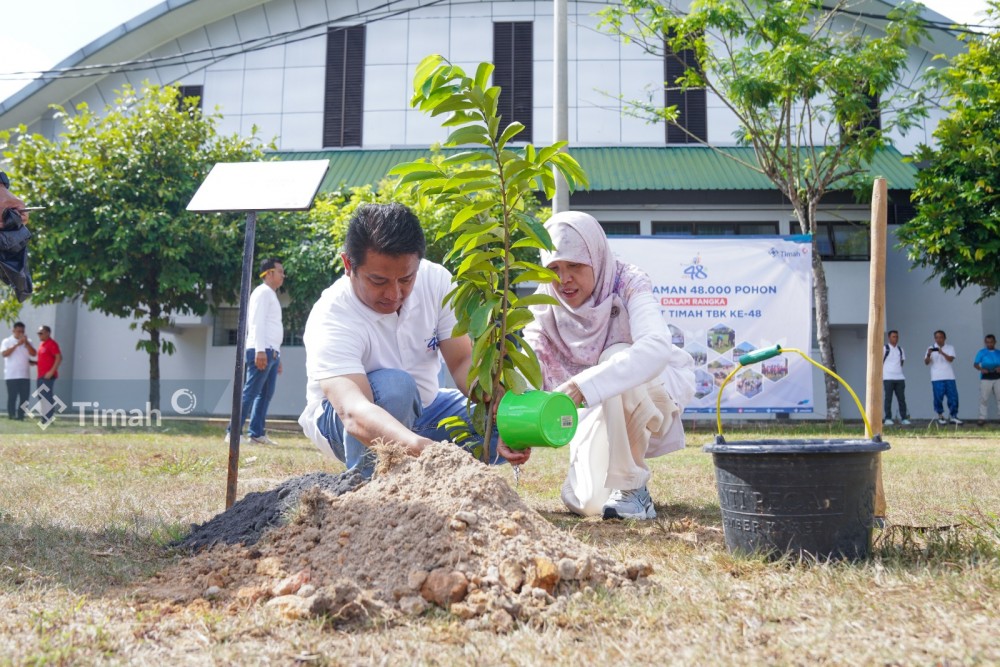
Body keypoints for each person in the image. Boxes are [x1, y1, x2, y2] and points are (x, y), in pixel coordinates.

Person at [297, 203, 529, 478]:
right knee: (396, 387)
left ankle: (436, 479)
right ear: (349, 265)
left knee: (507, 421)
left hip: (427, 411)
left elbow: (461, 361)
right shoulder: (333, 315)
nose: (394, 293)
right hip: (345, 423)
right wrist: (424, 449)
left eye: (406, 278)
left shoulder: (436, 281)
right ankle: (371, 487)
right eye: (378, 280)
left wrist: (495, 402)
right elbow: (353, 411)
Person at [522, 211, 696, 521]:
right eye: (554, 268)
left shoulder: (627, 281)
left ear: (596, 256)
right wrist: (515, 426)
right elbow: (530, 368)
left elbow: (656, 347)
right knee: (587, 503)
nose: (563, 280)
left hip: (651, 395)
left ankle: (631, 487)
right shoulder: (543, 302)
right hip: (595, 408)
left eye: (575, 265)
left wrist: (581, 386)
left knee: (615, 354)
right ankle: (615, 484)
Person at [226, 258, 285, 446]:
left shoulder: (270, 294)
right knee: (250, 393)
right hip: (262, 350)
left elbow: (271, 327)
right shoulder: (262, 292)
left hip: (271, 351)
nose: (283, 275)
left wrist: (277, 354)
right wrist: (260, 350)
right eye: (280, 271)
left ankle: (256, 434)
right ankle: (232, 432)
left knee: (265, 395)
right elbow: (257, 323)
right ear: (269, 273)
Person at [924, 329, 961, 425]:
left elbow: (951, 359)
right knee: (938, 397)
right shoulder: (930, 348)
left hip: (949, 376)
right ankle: (940, 416)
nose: (938, 339)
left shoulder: (950, 347)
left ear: (945, 338)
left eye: (940, 337)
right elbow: (926, 362)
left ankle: (953, 416)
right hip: (936, 377)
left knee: (953, 397)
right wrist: (928, 354)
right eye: (936, 337)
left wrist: (942, 352)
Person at [2, 321, 36, 420]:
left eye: (22, 331)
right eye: (18, 331)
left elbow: (33, 353)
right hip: (11, 375)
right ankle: (11, 415)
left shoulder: (28, 341)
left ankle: (21, 416)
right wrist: (17, 344)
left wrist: (27, 343)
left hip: (25, 375)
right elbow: (4, 354)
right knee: (12, 396)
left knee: (24, 397)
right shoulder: (7, 341)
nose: (20, 333)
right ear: (13, 330)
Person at [35, 325, 62, 424]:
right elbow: (45, 360)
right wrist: (34, 363)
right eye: (38, 333)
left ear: (48, 333)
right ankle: (45, 417)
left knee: (46, 396)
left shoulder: (52, 344)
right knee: (42, 396)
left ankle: (48, 418)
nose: (39, 335)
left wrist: (51, 372)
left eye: (41, 333)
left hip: (48, 376)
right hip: (40, 375)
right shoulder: (42, 344)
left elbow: (58, 358)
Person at [882, 329, 910, 425]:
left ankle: (904, 418)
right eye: (894, 336)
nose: (896, 338)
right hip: (887, 377)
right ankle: (888, 418)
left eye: (897, 336)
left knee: (901, 399)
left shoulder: (900, 349)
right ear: (889, 338)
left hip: (899, 378)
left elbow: (901, 362)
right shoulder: (885, 348)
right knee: (888, 398)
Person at [973, 334, 1000, 427]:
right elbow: (975, 364)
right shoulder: (981, 352)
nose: (989, 344)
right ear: (985, 342)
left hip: (998, 377)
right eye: (987, 342)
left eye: (991, 342)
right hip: (986, 377)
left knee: (999, 398)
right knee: (984, 398)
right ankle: (982, 418)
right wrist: (981, 369)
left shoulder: (998, 353)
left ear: (995, 342)